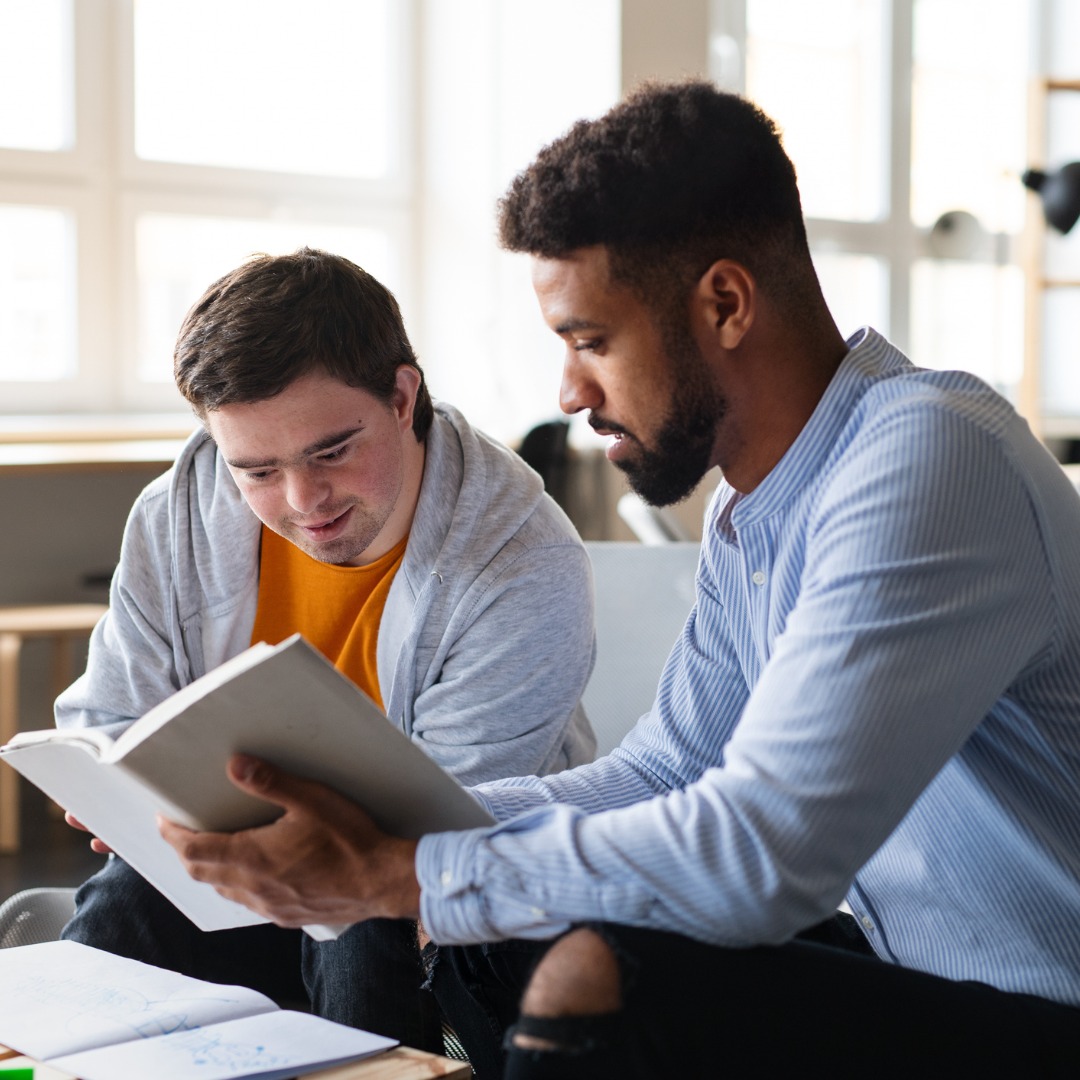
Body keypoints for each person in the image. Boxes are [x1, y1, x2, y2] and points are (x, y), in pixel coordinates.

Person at [159, 83, 1080, 1078]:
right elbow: (670, 771)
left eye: (591, 340)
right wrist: (397, 824)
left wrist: (406, 870)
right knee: (499, 924)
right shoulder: (751, 514)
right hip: (913, 972)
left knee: (590, 970)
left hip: (1041, 1011)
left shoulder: (929, 452)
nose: (569, 391)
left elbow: (763, 850)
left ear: (724, 303)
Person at [57, 247, 597, 1054]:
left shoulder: (522, 555)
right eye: (258, 470)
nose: (305, 504)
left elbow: (441, 827)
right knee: (128, 898)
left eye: (332, 451)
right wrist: (112, 787)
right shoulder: (175, 511)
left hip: (428, 907)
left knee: (360, 913)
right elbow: (108, 711)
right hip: (238, 872)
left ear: (402, 396)